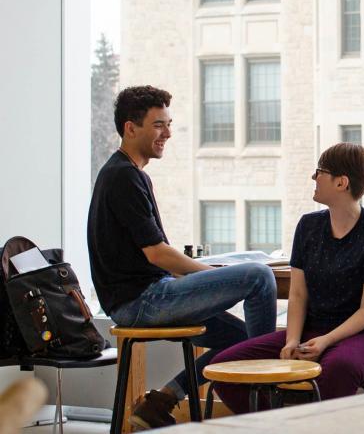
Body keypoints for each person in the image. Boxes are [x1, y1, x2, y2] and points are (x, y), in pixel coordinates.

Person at [88, 86, 277, 429]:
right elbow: (157, 253)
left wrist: (208, 278)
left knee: (240, 339)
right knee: (258, 276)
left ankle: (163, 399)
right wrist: (209, 273)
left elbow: (148, 255)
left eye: (169, 124)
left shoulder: (129, 174)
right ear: (131, 128)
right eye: (159, 125)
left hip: (144, 296)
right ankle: (266, 401)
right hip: (142, 302)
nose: (168, 134)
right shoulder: (123, 177)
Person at [210, 143, 364, 413]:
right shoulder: (308, 226)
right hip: (311, 333)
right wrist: (291, 340)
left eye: (320, 171)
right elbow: (298, 295)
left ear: (341, 182)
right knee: (223, 366)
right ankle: (276, 427)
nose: (314, 177)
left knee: (337, 369)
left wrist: (326, 340)